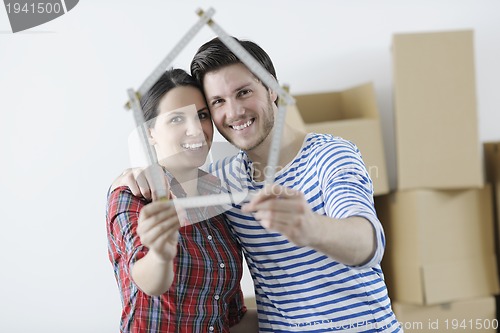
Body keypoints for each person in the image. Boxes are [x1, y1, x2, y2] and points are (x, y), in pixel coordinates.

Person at [115, 38, 402, 332]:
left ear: (272, 89)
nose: (235, 111)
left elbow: (369, 243)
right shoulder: (220, 183)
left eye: (243, 92)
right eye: (218, 102)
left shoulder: (330, 156)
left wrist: (312, 228)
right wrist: (131, 175)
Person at [106, 68, 258, 333]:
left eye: (201, 116)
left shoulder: (217, 193)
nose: (196, 130)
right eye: (177, 119)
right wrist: (162, 255)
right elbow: (147, 279)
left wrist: (307, 314)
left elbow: (229, 319)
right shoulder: (133, 195)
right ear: (150, 132)